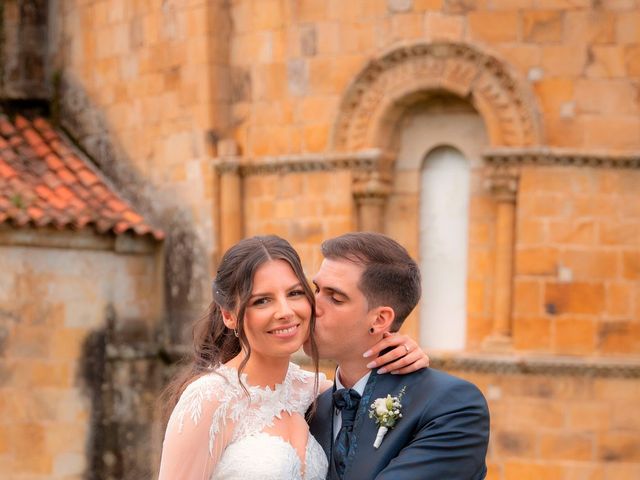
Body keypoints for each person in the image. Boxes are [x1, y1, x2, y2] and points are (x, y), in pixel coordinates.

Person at [157, 235, 428, 480]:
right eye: (262, 300)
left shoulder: (313, 391)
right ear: (229, 316)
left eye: (295, 293)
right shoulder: (209, 398)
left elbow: (361, 381)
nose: (285, 311)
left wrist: (401, 348)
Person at [308, 232, 490, 480]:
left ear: (380, 320)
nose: (311, 306)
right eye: (316, 290)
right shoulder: (307, 406)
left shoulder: (453, 407)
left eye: (335, 298)